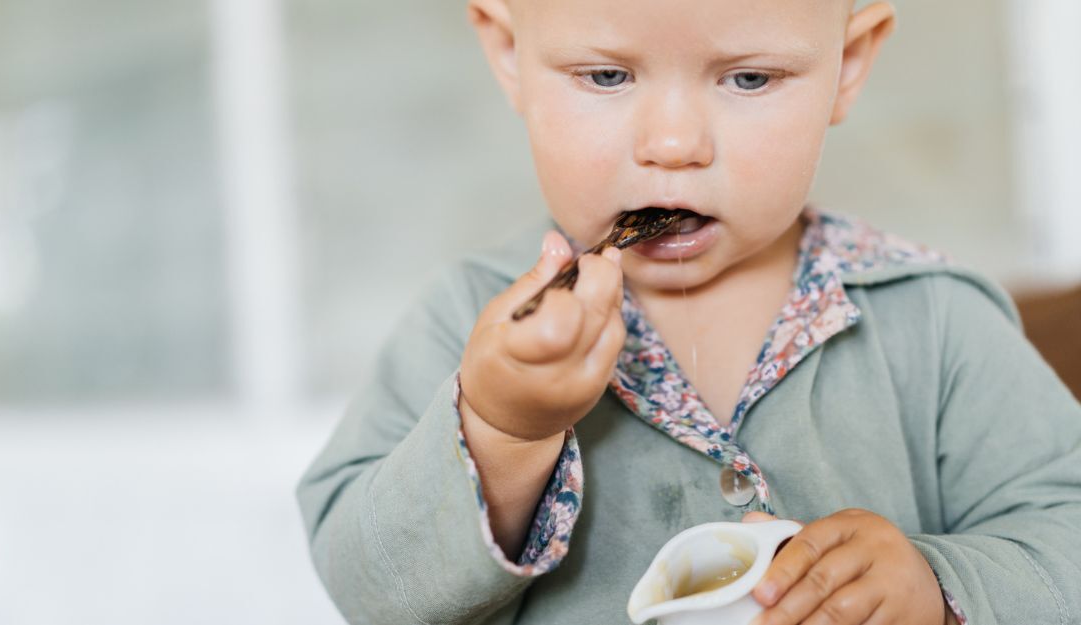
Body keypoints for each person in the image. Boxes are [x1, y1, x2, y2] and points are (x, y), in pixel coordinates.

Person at [296, 0, 1081, 623]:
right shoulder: (471, 324)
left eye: (750, 79)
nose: (673, 144)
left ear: (847, 63)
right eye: (607, 76)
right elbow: (367, 588)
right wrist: (502, 430)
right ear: (509, 53)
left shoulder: (935, 321)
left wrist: (938, 585)